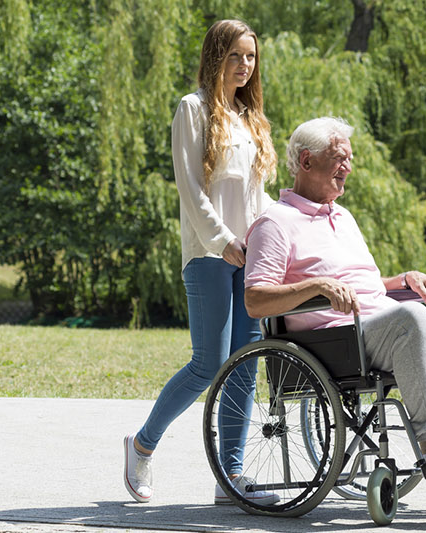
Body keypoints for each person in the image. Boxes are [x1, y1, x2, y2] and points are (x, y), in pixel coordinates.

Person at [242, 116, 426, 470]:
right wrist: (317, 286)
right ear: (307, 161)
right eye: (340, 158)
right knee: (412, 315)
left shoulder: (343, 217)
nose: (348, 168)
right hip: (336, 343)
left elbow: (359, 282)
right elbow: (256, 299)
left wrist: (400, 280)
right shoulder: (275, 223)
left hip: (385, 329)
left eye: (350, 159)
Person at [123, 19, 280, 506]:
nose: (244, 65)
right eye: (235, 55)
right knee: (208, 363)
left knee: (244, 366)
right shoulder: (192, 110)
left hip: (250, 256)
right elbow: (190, 189)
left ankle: (229, 477)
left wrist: (281, 231)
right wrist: (224, 239)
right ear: (215, 56)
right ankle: (142, 445)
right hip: (210, 254)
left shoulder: (248, 117)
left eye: (250, 57)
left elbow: (257, 195)